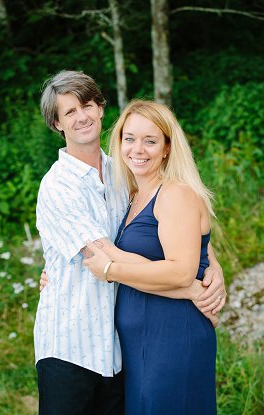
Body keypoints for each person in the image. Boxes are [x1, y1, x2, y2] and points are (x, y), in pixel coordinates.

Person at [33, 70, 225, 415]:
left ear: (101, 108)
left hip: (119, 349)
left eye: (87, 105)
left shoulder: (125, 175)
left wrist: (210, 263)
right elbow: (104, 257)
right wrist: (189, 286)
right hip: (71, 345)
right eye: (69, 112)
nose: (82, 117)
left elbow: (172, 228)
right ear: (57, 124)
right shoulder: (58, 186)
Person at [82, 100, 218, 414]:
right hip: (139, 344)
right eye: (129, 138)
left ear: (167, 148)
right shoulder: (130, 196)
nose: (137, 149)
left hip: (172, 336)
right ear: (118, 143)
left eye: (150, 140)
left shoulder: (174, 193)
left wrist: (110, 269)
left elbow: (181, 272)